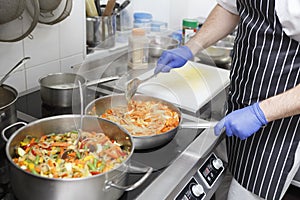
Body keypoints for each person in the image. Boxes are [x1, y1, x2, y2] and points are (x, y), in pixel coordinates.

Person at [155, 1, 300, 200]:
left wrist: (260, 113)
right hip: (238, 103)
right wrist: (190, 47)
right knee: (220, 184)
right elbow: (230, 8)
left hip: (278, 127)